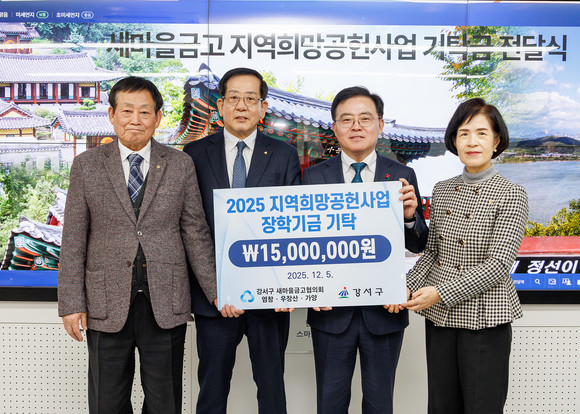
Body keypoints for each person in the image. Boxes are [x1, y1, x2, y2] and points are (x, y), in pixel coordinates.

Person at [58, 76, 217, 414]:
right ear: (112, 115)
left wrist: (217, 290)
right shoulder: (87, 165)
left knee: (164, 402)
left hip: (165, 301)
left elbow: (195, 232)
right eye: (127, 111)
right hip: (105, 300)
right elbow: (73, 239)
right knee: (107, 402)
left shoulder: (179, 164)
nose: (135, 120)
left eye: (144, 112)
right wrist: (71, 302)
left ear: (157, 118)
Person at [301, 86, 428, 414]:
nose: (356, 126)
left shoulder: (401, 175)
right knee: (329, 404)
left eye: (365, 119)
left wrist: (410, 217)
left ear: (380, 125)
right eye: (347, 119)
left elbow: (419, 244)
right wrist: (311, 289)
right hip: (331, 313)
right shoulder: (313, 177)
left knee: (380, 404)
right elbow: (302, 244)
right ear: (335, 127)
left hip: (384, 313)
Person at [183, 67, 301, 414]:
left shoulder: (283, 154)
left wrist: (286, 286)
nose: (242, 106)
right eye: (233, 97)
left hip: (269, 296)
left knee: (272, 388)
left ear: (263, 108)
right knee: (212, 389)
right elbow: (192, 227)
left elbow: (292, 226)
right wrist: (215, 288)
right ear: (220, 105)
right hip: (215, 297)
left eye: (251, 99)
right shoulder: (193, 154)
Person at [404, 98, 528, 414]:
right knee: (441, 406)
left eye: (482, 133)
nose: (472, 142)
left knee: (481, 407)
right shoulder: (443, 189)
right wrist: (406, 284)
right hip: (441, 318)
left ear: (496, 141)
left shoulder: (512, 193)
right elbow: (432, 252)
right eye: (464, 133)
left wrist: (439, 292)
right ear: (454, 141)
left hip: (485, 317)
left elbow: (498, 266)